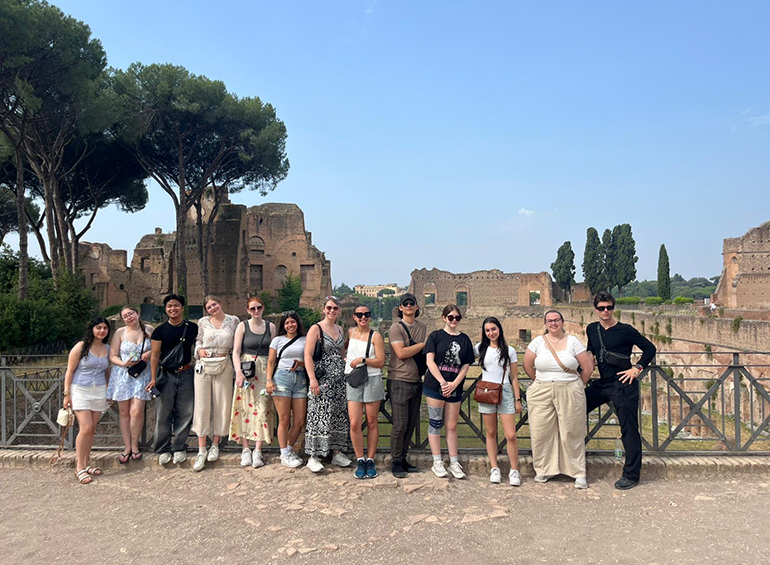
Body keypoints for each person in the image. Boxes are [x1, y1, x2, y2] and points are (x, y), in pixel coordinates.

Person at [585, 291, 656, 490]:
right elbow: (591, 350)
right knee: (574, 410)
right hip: (601, 384)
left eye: (609, 307)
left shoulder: (626, 330)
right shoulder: (591, 329)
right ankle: (570, 461)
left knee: (629, 429)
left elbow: (650, 349)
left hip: (623, 384)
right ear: (596, 309)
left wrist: (637, 368)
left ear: (613, 308)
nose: (605, 311)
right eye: (601, 308)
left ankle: (632, 475)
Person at [524, 310, 594, 489]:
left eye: (556, 320)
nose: (553, 323)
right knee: (541, 431)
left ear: (562, 322)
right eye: (549, 321)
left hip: (569, 388)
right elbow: (527, 365)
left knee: (572, 430)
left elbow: (587, 367)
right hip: (542, 390)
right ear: (545, 323)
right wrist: (539, 382)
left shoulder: (573, 342)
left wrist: (578, 384)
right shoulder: (538, 342)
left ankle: (578, 472)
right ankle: (544, 469)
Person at [423, 304, 475, 479]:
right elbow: (430, 361)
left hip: (455, 387)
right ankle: (437, 461)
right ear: (444, 318)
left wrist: (454, 384)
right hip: (435, 386)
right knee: (435, 423)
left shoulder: (465, 339)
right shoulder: (435, 336)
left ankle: (454, 462)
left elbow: (466, 364)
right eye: (450, 317)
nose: (454, 320)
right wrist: (443, 382)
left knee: (452, 426)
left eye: (457, 317)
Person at [147, 294, 199, 466]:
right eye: (169, 306)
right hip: (166, 375)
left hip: (186, 373)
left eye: (176, 305)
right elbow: (155, 355)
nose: (173, 309)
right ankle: (163, 448)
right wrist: (153, 378)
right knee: (164, 413)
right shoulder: (160, 330)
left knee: (185, 412)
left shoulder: (192, 328)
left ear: (182, 308)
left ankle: (179, 447)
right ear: (165, 309)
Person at [303, 296, 352, 473]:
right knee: (318, 415)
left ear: (339, 310)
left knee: (338, 415)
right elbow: (307, 355)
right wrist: (312, 379)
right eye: (329, 308)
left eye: (335, 308)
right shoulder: (316, 329)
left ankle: (336, 452)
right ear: (324, 309)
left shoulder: (340, 329)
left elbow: (341, 353)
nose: (332, 311)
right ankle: (313, 456)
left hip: (339, 379)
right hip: (322, 379)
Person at [474, 317, 522, 486]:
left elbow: (514, 377)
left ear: (499, 329)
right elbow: (464, 358)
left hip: (505, 390)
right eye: (487, 330)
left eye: (493, 329)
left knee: (511, 434)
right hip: (486, 391)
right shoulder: (479, 348)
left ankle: (514, 469)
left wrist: (517, 399)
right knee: (491, 432)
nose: (491, 333)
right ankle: (494, 468)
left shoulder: (509, 351)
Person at [191, 295, 238, 472]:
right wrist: (199, 350)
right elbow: (198, 340)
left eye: (214, 304)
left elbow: (237, 344)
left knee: (221, 404)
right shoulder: (203, 322)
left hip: (224, 364)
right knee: (202, 406)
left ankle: (216, 444)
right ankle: (201, 450)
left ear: (220, 303)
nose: (212, 308)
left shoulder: (233, 321)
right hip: (204, 365)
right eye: (209, 307)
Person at [63, 318, 111, 484]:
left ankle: (86, 463)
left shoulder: (107, 348)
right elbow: (70, 370)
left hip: (99, 390)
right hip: (80, 389)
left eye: (105, 328)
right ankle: (79, 467)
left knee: (92, 429)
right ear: (92, 329)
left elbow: (106, 371)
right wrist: (67, 394)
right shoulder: (81, 346)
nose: (102, 331)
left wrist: (109, 390)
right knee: (86, 427)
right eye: (98, 327)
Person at [231, 296, 276, 468]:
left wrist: (271, 377)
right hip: (247, 371)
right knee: (244, 409)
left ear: (263, 308)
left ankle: (257, 450)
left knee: (263, 410)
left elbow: (273, 353)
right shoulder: (242, 326)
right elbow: (236, 352)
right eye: (252, 308)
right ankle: (245, 449)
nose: (256, 311)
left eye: (258, 307)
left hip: (264, 372)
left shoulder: (271, 327)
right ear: (248, 310)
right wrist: (238, 372)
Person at [387, 293, 427, 478]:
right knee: (400, 424)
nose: (409, 306)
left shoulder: (422, 327)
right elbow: (401, 353)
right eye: (405, 303)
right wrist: (423, 345)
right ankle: (395, 461)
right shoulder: (395, 328)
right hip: (399, 379)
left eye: (412, 303)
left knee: (411, 424)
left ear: (417, 307)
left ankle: (403, 459)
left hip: (416, 380)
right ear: (400, 308)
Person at [345, 305, 386, 479]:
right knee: (355, 423)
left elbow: (381, 361)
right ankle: (360, 459)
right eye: (360, 314)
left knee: (371, 421)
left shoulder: (376, 336)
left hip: (372, 378)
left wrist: (363, 360)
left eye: (366, 314)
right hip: (354, 379)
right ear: (354, 317)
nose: (363, 317)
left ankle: (370, 459)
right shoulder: (350, 332)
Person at [108, 307, 153, 464]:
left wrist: (150, 353)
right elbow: (112, 355)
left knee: (136, 411)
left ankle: (135, 445)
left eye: (131, 314)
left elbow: (158, 348)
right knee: (124, 412)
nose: (129, 317)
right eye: (125, 316)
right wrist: (123, 363)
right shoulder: (120, 332)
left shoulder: (149, 329)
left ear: (138, 314)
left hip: (142, 374)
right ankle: (127, 447)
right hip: (123, 374)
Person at [265, 311, 307, 468]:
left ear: (297, 323)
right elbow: (271, 362)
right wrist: (269, 380)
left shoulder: (305, 339)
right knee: (284, 419)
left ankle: (288, 450)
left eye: (293, 322)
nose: (290, 325)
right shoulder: (277, 340)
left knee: (300, 420)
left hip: (300, 378)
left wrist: (301, 363)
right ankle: (284, 453)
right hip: (282, 378)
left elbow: (310, 360)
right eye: (287, 323)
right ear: (283, 325)